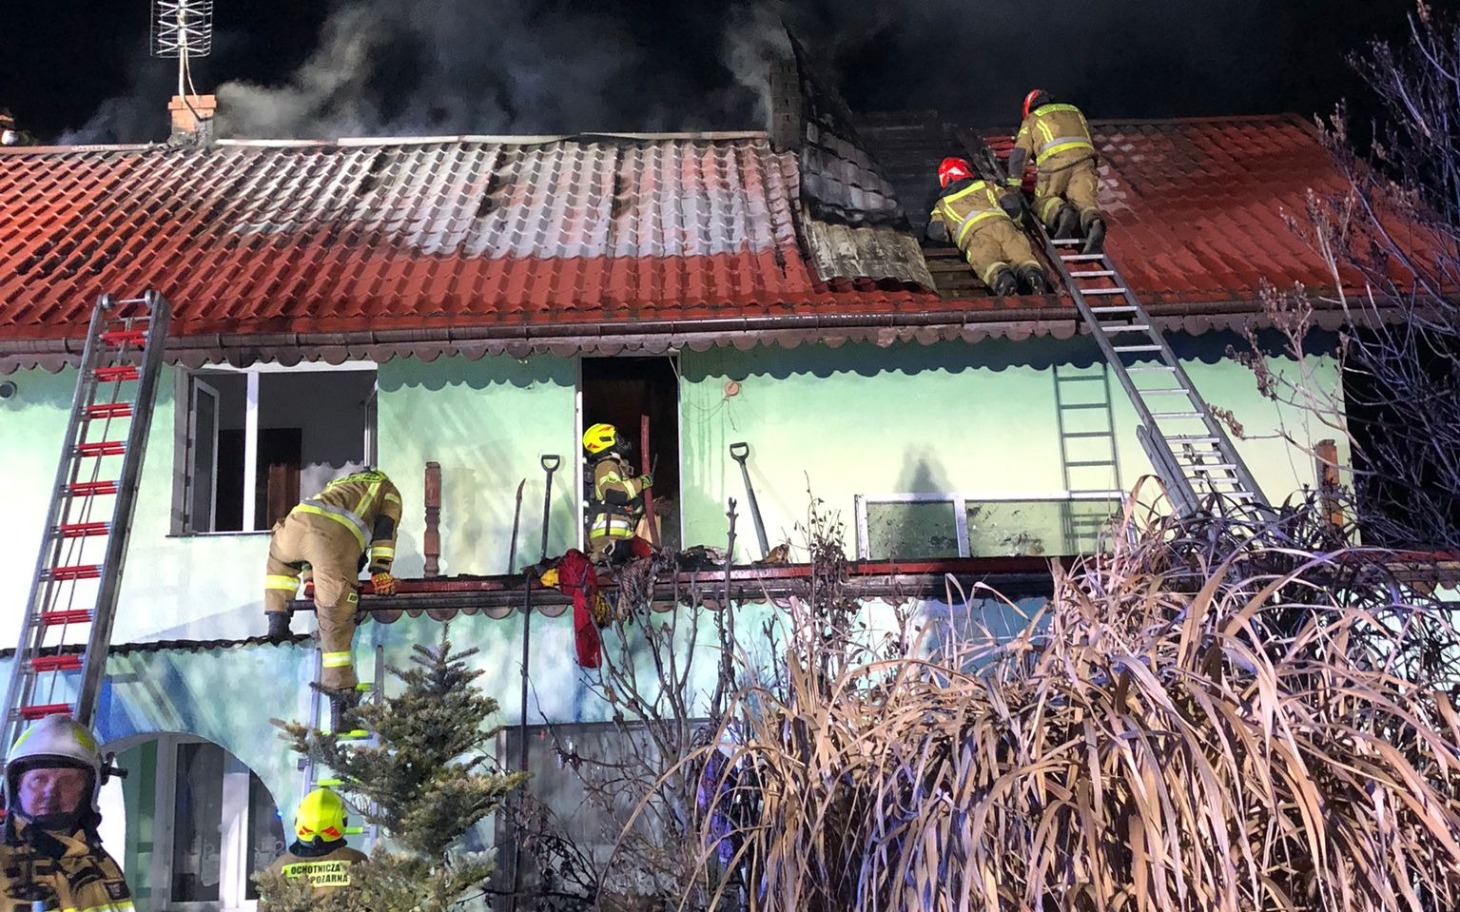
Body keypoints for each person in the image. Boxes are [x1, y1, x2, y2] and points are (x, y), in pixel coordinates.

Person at [263, 468, 403, 705]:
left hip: (294, 523)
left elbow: (311, 534)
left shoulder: (338, 485)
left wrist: (311, 578)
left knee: (280, 561)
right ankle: (341, 696)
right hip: (333, 538)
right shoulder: (388, 491)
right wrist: (380, 570)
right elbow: (385, 531)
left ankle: (277, 623)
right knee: (335, 618)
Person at [0, 714, 133, 911]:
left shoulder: (99, 862)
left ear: (88, 791)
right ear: (16, 787)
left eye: (68, 781)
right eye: (39, 780)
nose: (50, 792)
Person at [926, 156, 1049, 296]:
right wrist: (1015, 224)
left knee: (988, 261)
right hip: (1004, 226)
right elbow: (1011, 204)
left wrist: (954, 235)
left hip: (976, 236)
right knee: (1021, 255)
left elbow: (936, 232)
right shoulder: (987, 185)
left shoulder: (943, 204)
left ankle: (1004, 280)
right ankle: (1034, 277)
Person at [1006, 89, 1107, 254]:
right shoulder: (1074, 111)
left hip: (1055, 164)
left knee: (1043, 199)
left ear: (1028, 108)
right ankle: (1094, 223)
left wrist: (1013, 185)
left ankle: (1061, 213)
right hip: (1085, 162)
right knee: (1084, 202)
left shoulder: (1032, 118)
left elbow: (1020, 154)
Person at [264, 787, 369, 897]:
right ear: (342, 822)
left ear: (298, 821)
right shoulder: (355, 860)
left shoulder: (277, 868)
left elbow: (265, 904)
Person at [582, 423, 655, 565]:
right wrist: (640, 482)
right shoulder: (607, 465)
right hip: (608, 537)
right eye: (616, 437)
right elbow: (614, 493)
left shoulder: (614, 466)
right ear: (605, 441)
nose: (620, 441)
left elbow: (620, 502)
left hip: (615, 536)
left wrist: (637, 505)